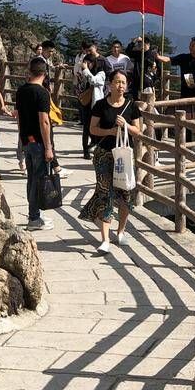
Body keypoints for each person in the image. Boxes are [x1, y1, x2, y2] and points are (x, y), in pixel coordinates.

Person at [79, 70, 142, 253]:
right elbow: (92, 129)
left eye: (123, 82)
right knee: (105, 193)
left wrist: (127, 126)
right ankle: (105, 239)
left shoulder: (131, 106)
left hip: (123, 156)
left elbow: (138, 131)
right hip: (104, 154)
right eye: (117, 82)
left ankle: (121, 231)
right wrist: (110, 132)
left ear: (127, 85)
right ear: (110, 84)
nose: (120, 86)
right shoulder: (100, 105)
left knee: (125, 194)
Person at [15, 56, 55, 231]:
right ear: (44, 74)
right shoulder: (42, 93)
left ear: (30, 71)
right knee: (38, 179)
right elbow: (44, 121)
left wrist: (22, 137)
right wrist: (48, 147)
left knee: (32, 179)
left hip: (26, 139)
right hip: (38, 142)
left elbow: (18, 117)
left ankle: (35, 213)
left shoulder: (21, 90)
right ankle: (34, 218)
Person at [170, 36, 195, 141]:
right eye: (190, 45)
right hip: (185, 95)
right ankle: (186, 146)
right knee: (185, 122)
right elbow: (169, 59)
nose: (190, 47)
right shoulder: (184, 58)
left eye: (192, 45)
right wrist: (156, 56)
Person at [76, 51, 107, 158]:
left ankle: (94, 143)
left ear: (93, 63)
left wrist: (86, 70)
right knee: (86, 128)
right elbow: (81, 85)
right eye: (85, 63)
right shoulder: (84, 72)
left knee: (95, 126)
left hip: (96, 104)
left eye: (88, 62)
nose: (86, 65)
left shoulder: (101, 73)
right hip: (85, 103)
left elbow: (93, 81)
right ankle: (85, 151)